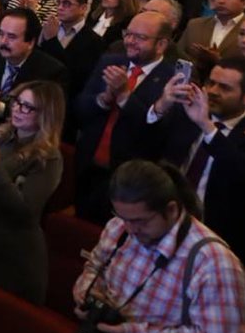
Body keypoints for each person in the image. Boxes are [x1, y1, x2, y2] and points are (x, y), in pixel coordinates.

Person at [73, 160, 245, 333]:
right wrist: (86, 294)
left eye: (140, 221)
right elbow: (94, 265)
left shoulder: (214, 262)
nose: (130, 229)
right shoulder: (118, 227)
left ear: (172, 210)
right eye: (123, 217)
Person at [145, 57, 245, 266]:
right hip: (163, 215)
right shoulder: (185, 113)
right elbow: (144, 145)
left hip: (216, 232)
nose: (213, 91)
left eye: (225, 88)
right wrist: (162, 105)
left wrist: (207, 127)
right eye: (211, 83)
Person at [74, 11, 178, 224]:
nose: (130, 41)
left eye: (140, 37)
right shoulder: (110, 61)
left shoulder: (171, 80)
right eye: (128, 34)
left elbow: (158, 133)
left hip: (131, 181)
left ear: (161, 45)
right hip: (89, 165)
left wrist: (124, 96)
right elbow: (80, 108)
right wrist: (103, 99)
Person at [0, 81, 65, 304]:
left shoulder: (48, 157)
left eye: (27, 107)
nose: (17, 110)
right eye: (17, 103)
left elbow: (24, 212)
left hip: (10, 246)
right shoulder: (0, 136)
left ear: (46, 115)